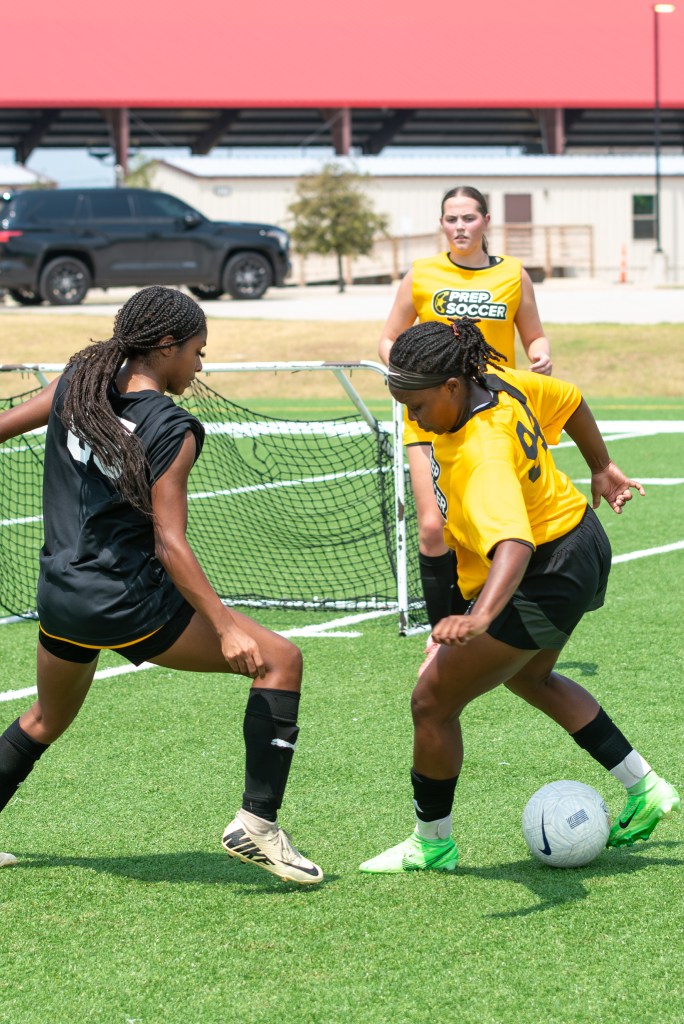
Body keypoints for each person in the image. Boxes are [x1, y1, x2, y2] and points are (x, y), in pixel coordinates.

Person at [0, 286, 323, 885]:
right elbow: (169, 544)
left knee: (45, 717)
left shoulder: (81, 379)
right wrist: (227, 629)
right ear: (167, 346)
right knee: (281, 661)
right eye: (197, 352)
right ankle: (257, 824)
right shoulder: (173, 427)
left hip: (60, 597)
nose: (200, 366)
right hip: (126, 603)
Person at [360, 318, 679, 873]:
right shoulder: (497, 379)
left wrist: (477, 618)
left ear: (452, 387)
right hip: (580, 540)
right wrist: (600, 467)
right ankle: (647, 789)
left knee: (432, 704)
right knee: (532, 678)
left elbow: (513, 543)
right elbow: (570, 398)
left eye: (416, 406)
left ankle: (432, 846)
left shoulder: (477, 452)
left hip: (544, 569)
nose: (412, 419)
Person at [378, 185, 552, 637]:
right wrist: (407, 373)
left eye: (469, 218)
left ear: (486, 222)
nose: (460, 227)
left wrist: (540, 354)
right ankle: (441, 637)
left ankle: (493, 623)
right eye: (452, 219)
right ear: (442, 224)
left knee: (492, 525)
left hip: (491, 419)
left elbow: (533, 334)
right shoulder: (421, 273)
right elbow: (389, 338)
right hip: (430, 415)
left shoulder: (514, 274)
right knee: (434, 528)